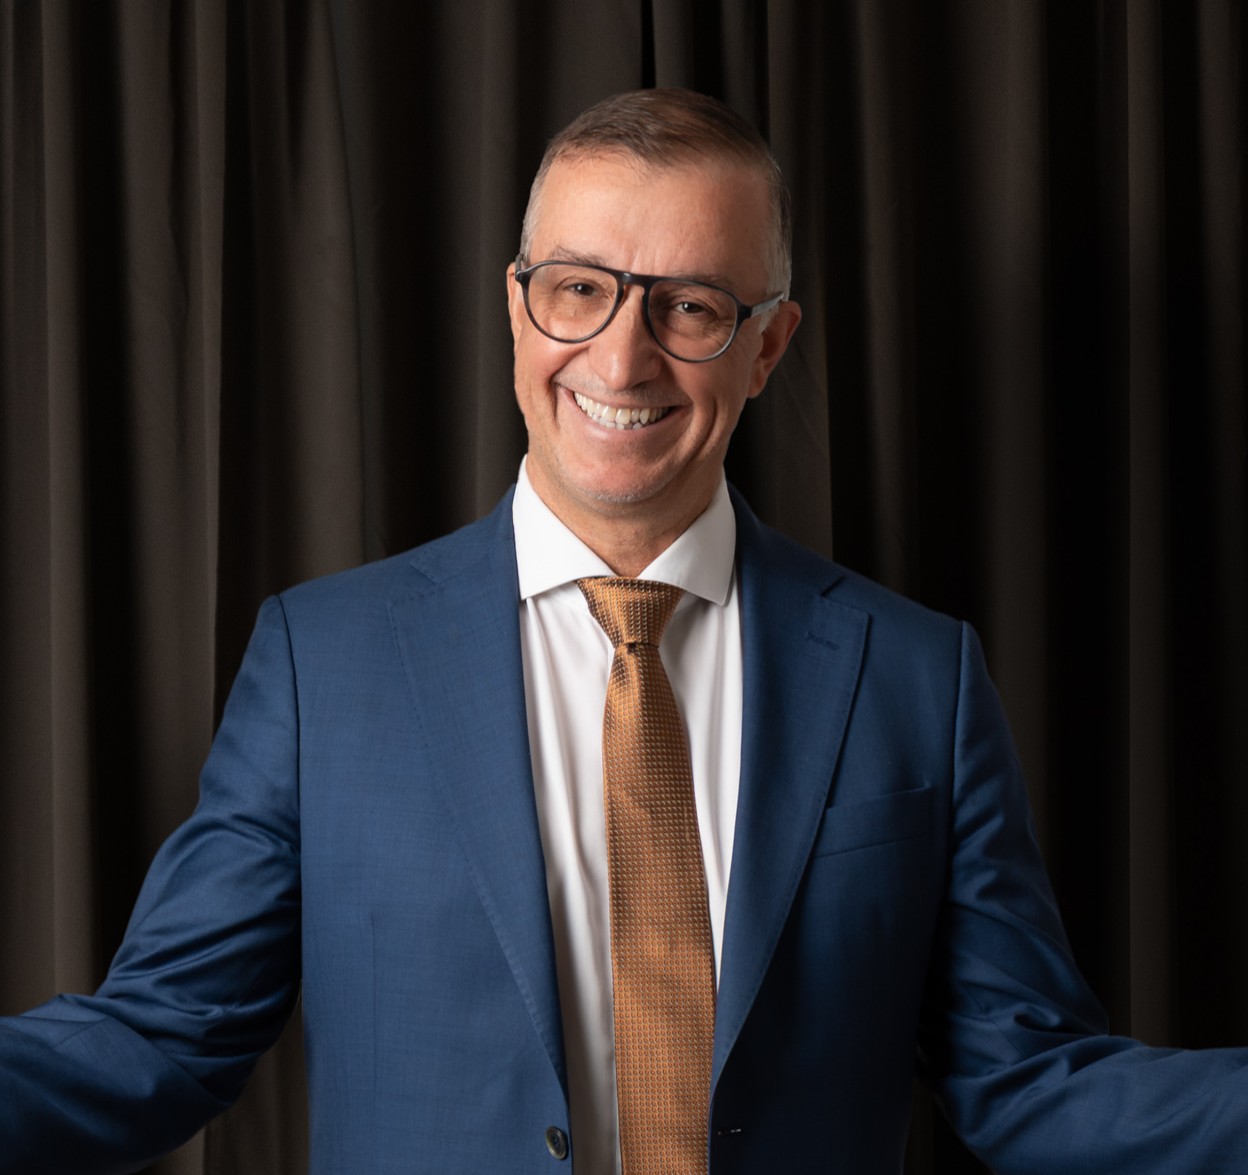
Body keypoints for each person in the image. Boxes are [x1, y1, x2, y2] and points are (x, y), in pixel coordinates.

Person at [1, 88, 1244, 1175]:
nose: (621, 356)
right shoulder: (321, 662)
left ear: (768, 345)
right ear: (517, 308)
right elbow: (158, 1039)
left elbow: (1029, 1077)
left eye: (690, 306)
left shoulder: (919, 678)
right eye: (579, 290)